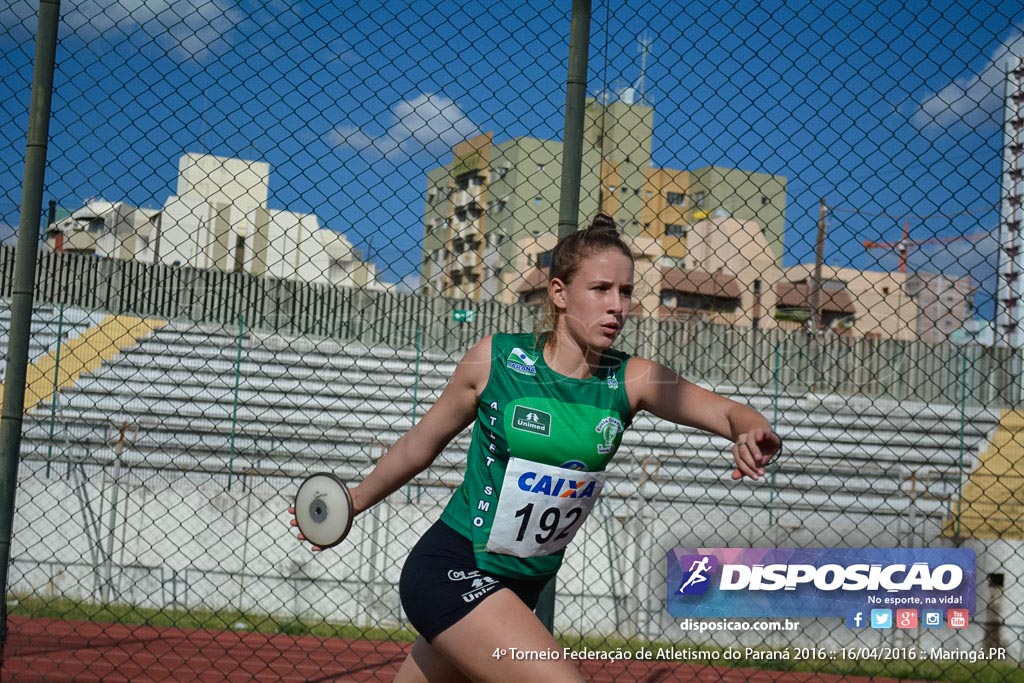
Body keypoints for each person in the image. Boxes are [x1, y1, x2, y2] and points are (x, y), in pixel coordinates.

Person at [291, 213, 781, 682]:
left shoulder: (632, 380)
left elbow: (728, 412)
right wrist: (354, 500)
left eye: (626, 291)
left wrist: (753, 431)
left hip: (519, 587)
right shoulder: (495, 360)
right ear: (560, 292)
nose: (618, 305)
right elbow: (420, 445)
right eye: (601, 289)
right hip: (455, 569)